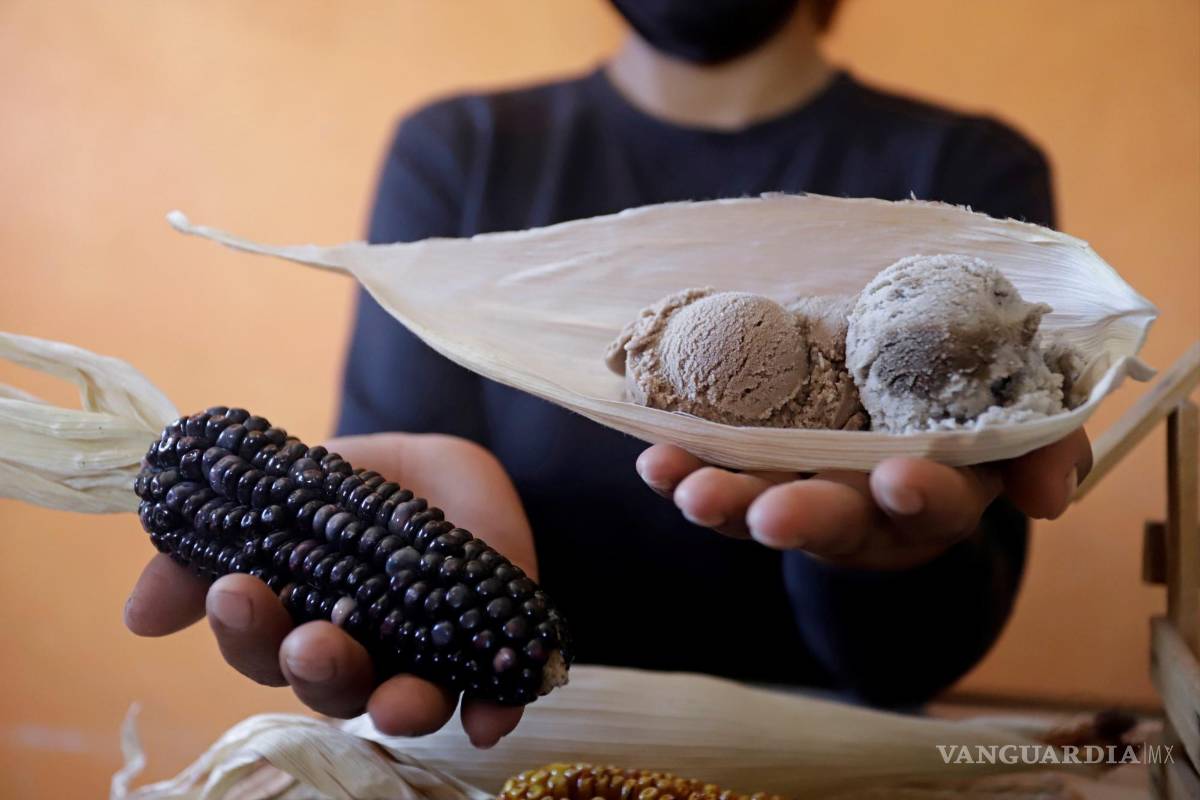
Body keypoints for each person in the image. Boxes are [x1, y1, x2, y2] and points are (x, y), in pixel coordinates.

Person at [124, 0, 1093, 750]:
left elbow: (914, 656)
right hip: (518, 747)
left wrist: (890, 556)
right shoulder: (464, 152)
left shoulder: (965, 169)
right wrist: (376, 566)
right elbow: (406, 477)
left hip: (825, 745)